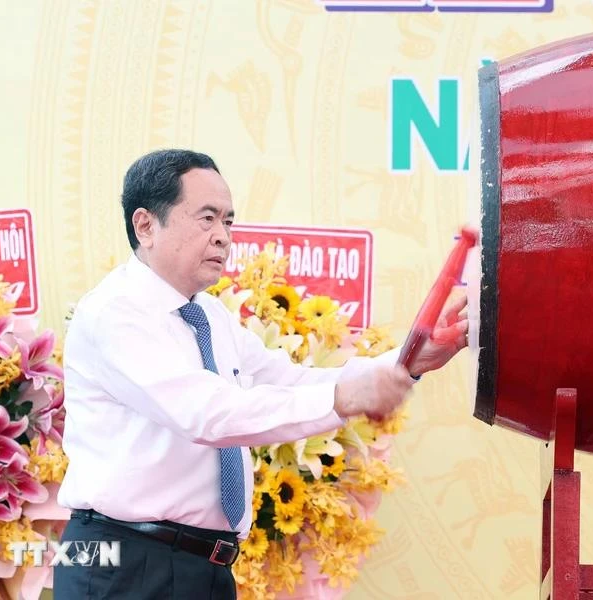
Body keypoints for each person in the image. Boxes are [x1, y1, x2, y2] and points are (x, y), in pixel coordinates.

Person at [53, 149, 469, 599]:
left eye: (228, 221)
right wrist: (346, 397)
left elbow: (288, 380)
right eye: (206, 218)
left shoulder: (209, 314)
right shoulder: (115, 313)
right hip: (125, 563)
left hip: (203, 566)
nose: (223, 237)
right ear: (146, 225)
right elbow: (209, 415)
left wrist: (405, 362)